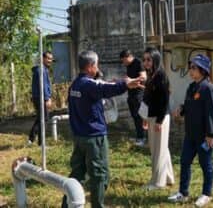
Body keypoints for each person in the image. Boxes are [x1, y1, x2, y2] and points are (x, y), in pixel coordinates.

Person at [62, 50, 143, 208]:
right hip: (94, 138)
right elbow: (106, 89)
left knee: (77, 174)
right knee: (100, 175)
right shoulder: (89, 85)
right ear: (90, 66)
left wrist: (118, 82)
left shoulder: (75, 85)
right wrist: (126, 84)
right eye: (96, 65)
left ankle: (67, 205)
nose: (98, 68)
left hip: (79, 136)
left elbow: (102, 86)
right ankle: (98, 205)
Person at [168, 53, 213, 207]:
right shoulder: (191, 87)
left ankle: (206, 194)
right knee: (184, 161)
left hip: (204, 136)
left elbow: (211, 112)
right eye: (190, 67)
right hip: (190, 134)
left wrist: (211, 134)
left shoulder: (208, 88)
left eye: (194, 68)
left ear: (203, 70)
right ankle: (183, 193)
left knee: (205, 165)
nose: (190, 70)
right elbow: (189, 105)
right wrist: (181, 110)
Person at [141, 48, 174, 190]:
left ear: (155, 59)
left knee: (157, 151)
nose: (146, 62)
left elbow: (165, 100)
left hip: (160, 117)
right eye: (144, 59)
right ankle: (168, 177)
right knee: (162, 149)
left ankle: (157, 182)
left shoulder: (160, 75)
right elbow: (148, 99)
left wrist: (159, 121)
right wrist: (145, 117)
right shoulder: (151, 75)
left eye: (149, 59)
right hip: (152, 116)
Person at [120, 48, 147, 146]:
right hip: (131, 94)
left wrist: (131, 80)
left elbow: (143, 77)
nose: (123, 63)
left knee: (140, 117)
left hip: (139, 94)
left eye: (124, 60)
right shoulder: (129, 65)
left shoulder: (138, 63)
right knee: (135, 116)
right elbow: (129, 79)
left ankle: (143, 138)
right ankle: (139, 136)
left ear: (129, 57)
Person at [28, 50, 53, 145]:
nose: (50, 61)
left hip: (38, 97)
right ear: (43, 58)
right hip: (40, 98)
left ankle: (32, 139)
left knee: (41, 118)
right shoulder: (41, 70)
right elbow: (43, 86)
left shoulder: (42, 69)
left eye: (51, 59)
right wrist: (47, 98)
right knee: (44, 119)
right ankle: (40, 142)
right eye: (48, 58)